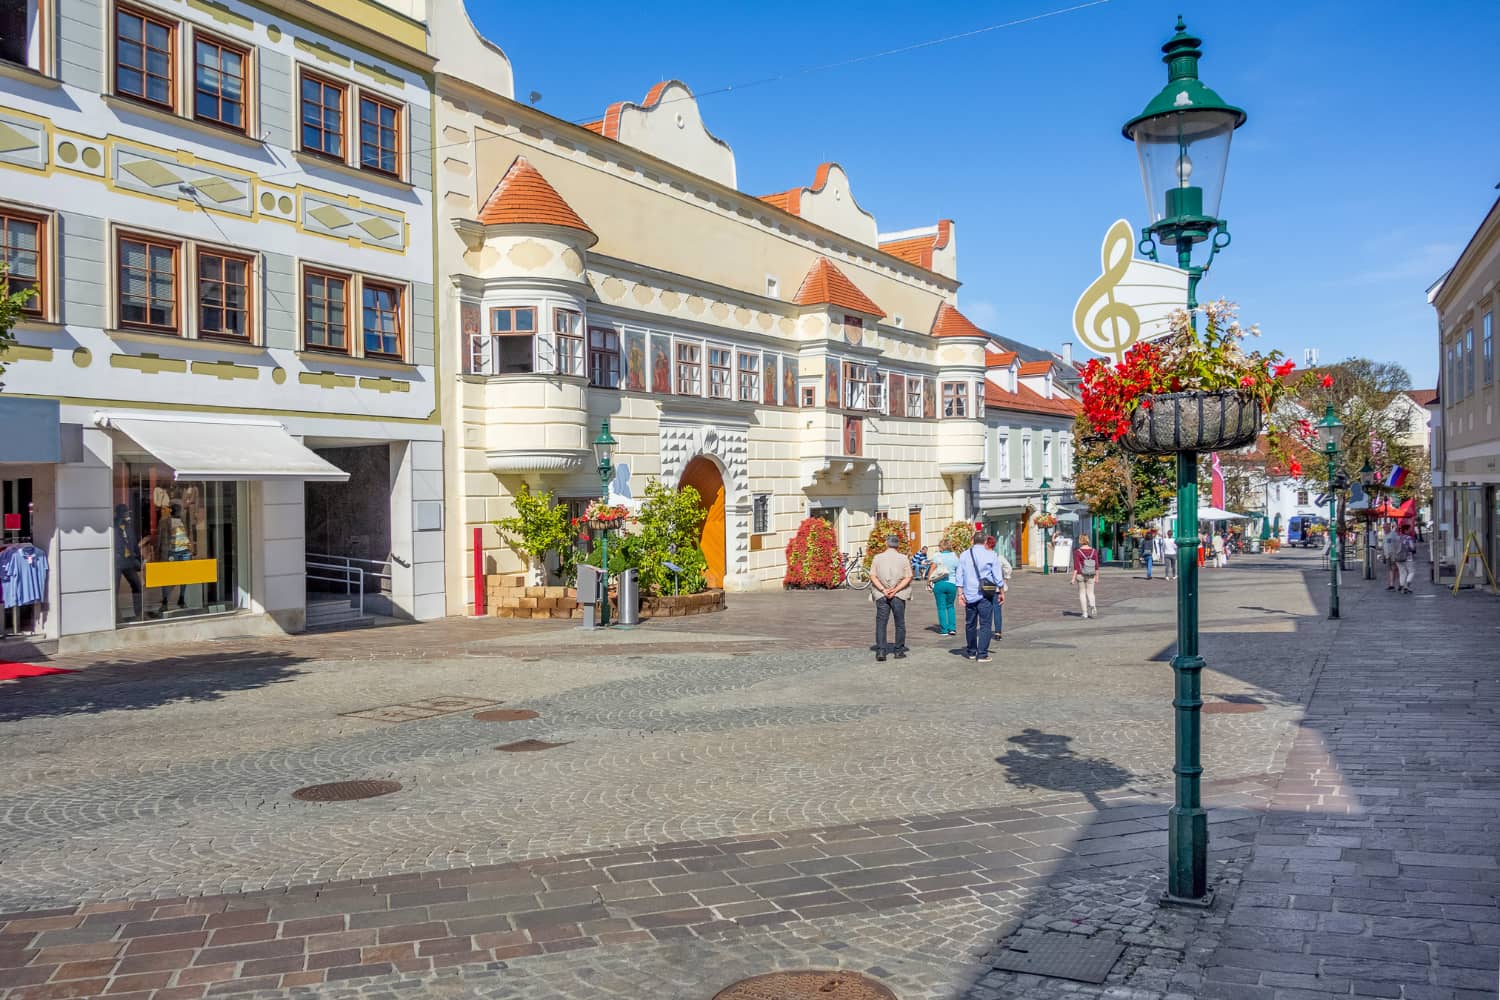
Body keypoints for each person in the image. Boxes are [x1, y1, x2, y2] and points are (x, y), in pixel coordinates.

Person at [954, 530, 1002, 663]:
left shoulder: (964, 555)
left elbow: (959, 575)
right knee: (985, 624)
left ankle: (971, 651)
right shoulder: (991, 555)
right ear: (986, 541)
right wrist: (1001, 591)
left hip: (969, 594)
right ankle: (982, 654)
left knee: (970, 623)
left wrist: (960, 593)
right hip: (985, 594)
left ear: (972, 540)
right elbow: (998, 577)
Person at [869, 534, 914, 662]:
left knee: (881, 622)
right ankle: (898, 651)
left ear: (886, 543)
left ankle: (881, 651)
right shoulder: (903, 558)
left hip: (881, 593)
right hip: (899, 594)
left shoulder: (877, 558)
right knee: (899, 622)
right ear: (897, 545)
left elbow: (873, 576)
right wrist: (896, 589)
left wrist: (884, 589)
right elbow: (908, 576)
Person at [114, 504, 143, 622]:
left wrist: (139, 558)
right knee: (114, 589)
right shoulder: (113, 526)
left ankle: (139, 613)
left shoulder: (128, 526)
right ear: (120, 513)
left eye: (127, 513)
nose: (128, 515)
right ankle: (116, 616)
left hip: (128, 561)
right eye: (126, 513)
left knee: (137, 585)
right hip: (117, 562)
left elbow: (134, 543)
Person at [984, 535, 1013, 640]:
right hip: (996, 587)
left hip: (986, 587)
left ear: (987, 545)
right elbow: (1008, 568)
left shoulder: (983, 557)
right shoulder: (998, 557)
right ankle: (998, 632)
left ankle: (986, 630)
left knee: (986, 609)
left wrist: (1006, 578)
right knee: (997, 610)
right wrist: (1005, 578)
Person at [929, 539, 959, 636]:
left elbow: (932, 568)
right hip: (952, 584)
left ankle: (944, 630)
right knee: (950, 606)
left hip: (939, 583)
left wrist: (928, 581)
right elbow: (959, 571)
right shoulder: (955, 557)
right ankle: (952, 628)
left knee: (941, 607)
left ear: (941, 547)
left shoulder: (937, 556)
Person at [1071, 535, 1101, 618]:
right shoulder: (1094, 551)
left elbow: (1076, 567)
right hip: (1091, 574)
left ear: (1080, 541)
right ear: (1088, 540)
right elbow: (1097, 565)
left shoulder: (1077, 552)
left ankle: (1085, 613)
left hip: (1080, 574)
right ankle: (1093, 606)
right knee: (1091, 592)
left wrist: (1073, 578)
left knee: (1082, 593)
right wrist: (1097, 576)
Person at [1395, 522, 1417, 594]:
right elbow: (1412, 548)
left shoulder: (1398, 537)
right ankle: (1406, 585)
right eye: (1409, 529)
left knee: (1402, 572)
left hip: (1398, 557)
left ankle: (1401, 585)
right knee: (1411, 571)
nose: (1410, 530)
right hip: (1408, 557)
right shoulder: (1409, 538)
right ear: (1406, 530)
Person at [1381, 526, 1400, 590]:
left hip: (1394, 554)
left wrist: (1397, 553)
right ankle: (1392, 584)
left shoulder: (1393, 534)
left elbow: (1398, 544)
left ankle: (1400, 583)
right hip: (1387, 555)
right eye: (1383, 528)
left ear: (1389, 528)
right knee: (1390, 569)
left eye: (1385, 527)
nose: (1384, 529)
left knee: (1395, 569)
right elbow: (1383, 546)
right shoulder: (1384, 536)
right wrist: (1383, 555)